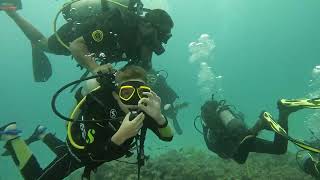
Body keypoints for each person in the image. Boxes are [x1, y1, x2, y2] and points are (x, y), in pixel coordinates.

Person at [0, 65, 174, 180]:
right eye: (127, 92)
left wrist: (159, 118)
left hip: (85, 155)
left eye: (142, 93)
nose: (135, 100)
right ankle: (11, 135)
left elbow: (168, 137)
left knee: (62, 151)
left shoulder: (144, 111)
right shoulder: (99, 107)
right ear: (115, 93)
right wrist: (120, 136)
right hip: (78, 153)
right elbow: (91, 154)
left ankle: (42, 133)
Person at [4, 0, 174, 81]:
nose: (161, 42)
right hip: (74, 34)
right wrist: (95, 67)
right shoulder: (118, 25)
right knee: (43, 43)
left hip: (94, 49)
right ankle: (12, 13)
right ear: (150, 28)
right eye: (163, 36)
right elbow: (77, 45)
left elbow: (137, 70)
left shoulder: (144, 46)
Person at [199, 95, 320, 164]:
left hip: (238, 138)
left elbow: (224, 144)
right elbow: (239, 123)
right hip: (240, 134)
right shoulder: (224, 118)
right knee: (279, 149)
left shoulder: (214, 143)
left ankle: (261, 123)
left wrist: (256, 129)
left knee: (240, 158)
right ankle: (284, 112)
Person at [147, 70, 189, 134]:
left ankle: (175, 113)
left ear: (156, 79)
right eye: (148, 79)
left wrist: (175, 105)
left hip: (165, 106)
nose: (150, 82)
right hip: (153, 107)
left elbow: (174, 96)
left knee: (171, 114)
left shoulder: (163, 86)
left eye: (152, 79)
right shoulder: (143, 87)